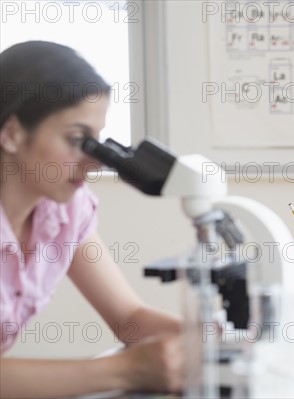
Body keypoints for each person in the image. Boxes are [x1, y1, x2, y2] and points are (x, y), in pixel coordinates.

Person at [1, 41, 184, 397]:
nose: (95, 161)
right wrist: (126, 371)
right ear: (11, 133)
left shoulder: (65, 210)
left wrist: (214, 344)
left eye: (96, 142)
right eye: (76, 139)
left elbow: (129, 318)